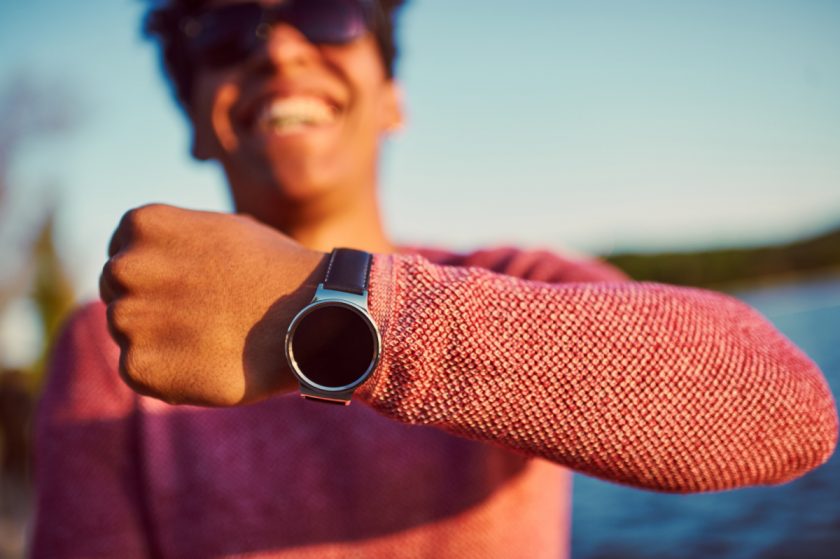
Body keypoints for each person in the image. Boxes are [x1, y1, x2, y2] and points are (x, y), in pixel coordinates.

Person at [32, 0, 838, 557]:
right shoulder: (110, 347)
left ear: (394, 99)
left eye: (327, 14)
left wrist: (331, 312)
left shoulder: (510, 280)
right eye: (224, 31)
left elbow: (787, 410)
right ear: (196, 125)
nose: (276, 48)